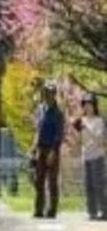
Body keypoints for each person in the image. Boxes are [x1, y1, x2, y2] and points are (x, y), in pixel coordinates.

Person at [36, 83, 67, 218]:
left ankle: (52, 210)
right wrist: (34, 148)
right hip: (41, 147)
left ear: (54, 95)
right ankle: (38, 209)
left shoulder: (58, 113)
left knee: (52, 181)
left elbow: (59, 134)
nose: (47, 96)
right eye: (45, 93)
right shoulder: (41, 110)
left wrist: (54, 151)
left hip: (52, 148)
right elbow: (38, 130)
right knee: (39, 180)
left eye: (49, 93)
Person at [78, 95, 107, 221]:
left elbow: (100, 140)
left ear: (94, 105)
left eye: (90, 104)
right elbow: (81, 140)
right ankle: (92, 211)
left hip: (97, 156)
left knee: (98, 184)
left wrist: (87, 130)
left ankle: (104, 211)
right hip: (86, 156)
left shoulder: (99, 121)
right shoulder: (81, 120)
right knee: (88, 185)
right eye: (85, 104)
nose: (87, 106)